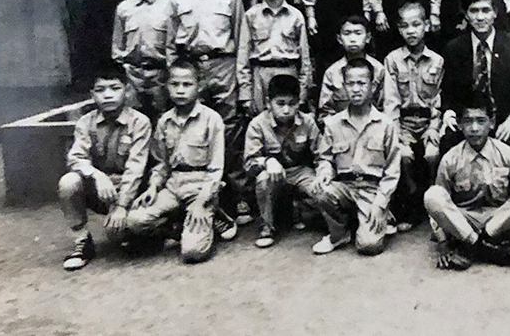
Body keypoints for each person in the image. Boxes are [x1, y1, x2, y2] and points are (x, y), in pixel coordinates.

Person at [165, 0, 251, 223]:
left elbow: (241, 40)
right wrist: (175, 75)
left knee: (230, 132)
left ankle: (237, 197)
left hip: (223, 66)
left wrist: (242, 83)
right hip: (191, 69)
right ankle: (198, 198)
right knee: (194, 131)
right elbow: (171, 43)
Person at [125, 60, 229, 264]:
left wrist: (201, 201)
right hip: (173, 186)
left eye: (187, 84)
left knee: (192, 252)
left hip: (200, 186)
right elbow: (161, 164)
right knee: (135, 221)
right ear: (166, 87)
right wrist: (153, 187)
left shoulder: (212, 119)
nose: (180, 90)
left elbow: (216, 170)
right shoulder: (164, 121)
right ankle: (176, 226)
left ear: (199, 86)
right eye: (175, 84)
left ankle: (212, 216)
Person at [424, 96, 510, 270]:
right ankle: (485, 248)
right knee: (433, 195)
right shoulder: (450, 159)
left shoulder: (507, 154)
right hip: (464, 222)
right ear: (459, 124)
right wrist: (443, 243)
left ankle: (472, 247)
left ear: (492, 123)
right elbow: (439, 207)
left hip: (498, 220)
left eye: (481, 121)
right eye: (468, 121)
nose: (474, 128)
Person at [58, 64, 152, 271]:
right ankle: (82, 241)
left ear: (127, 91)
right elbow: (75, 157)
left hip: (131, 190)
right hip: (101, 190)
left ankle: (142, 234)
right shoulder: (85, 122)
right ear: (92, 94)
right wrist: (97, 175)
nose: (108, 95)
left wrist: (121, 206)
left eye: (115, 88)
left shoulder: (140, 122)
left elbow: (136, 169)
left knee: (122, 236)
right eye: (100, 90)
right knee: (69, 182)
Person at [311, 58, 402, 256]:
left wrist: (380, 203)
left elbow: (392, 171)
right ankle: (339, 233)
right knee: (320, 190)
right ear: (344, 87)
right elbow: (325, 158)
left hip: (372, 190)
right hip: (344, 188)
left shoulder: (386, 124)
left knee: (369, 246)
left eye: (361, 83)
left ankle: (382, 216)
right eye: (350, 84)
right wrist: (324, 172)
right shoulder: (333, 124)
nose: (356, 89)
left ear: (372, 86)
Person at [439, 0, 510, 158]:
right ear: (466, 15)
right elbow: (447, 89)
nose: (480, 17)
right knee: (447, 143)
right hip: (468, 122)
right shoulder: (455, 49)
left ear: (495, 13)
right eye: (474, 11)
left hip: (503, 121)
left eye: (485, 10)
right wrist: (449, 113)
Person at [382, 2, 445, 232]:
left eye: (416, 24)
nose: (411, 31)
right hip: (404, 123)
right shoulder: (392, 60)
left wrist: (434, 127)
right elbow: (390, 102)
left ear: (426, 25)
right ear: (399, 29)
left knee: (432, 154)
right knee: (404, 155)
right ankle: (411, 202)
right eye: (405, 26)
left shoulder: (437, 60)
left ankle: (434, 202)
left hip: (429, 121)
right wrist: (398, 134)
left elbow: (438, 99)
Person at [243, 74, 321, 248]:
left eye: (292, 103)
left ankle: (302, 210)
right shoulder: (257, 124)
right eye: (280, 104)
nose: (286, 110)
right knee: (264, 179)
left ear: (299, 102)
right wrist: (267, 161)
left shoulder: (307, 122)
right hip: (274, 175)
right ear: (268, 103)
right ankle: (267, 226)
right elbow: (249, 163)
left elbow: (321, 155)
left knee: (322, 191)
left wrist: (322, 175)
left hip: (300, 171)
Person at [111, 0, 172, 122]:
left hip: (161, 75)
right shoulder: (124, 8)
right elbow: (117, 46)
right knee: (132, 121)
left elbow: (174, 44)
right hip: (133, 76)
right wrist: (125, 70)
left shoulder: (169, 5)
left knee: (163, 121)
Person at [245, 0, 312, 114]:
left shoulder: (296, 16)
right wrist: (245, 94)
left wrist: (303, 91)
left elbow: (305, 58)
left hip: (288, 71)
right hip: (261, 75)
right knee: (261, 119)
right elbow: (243, 56)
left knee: (288, 117)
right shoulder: (251, 15)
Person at [317, 15, 386, 120]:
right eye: (347, 33)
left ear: (368, 37)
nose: (353, 39)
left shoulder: (379, 69)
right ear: (339, 39)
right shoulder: (332, 72)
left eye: (358, 33)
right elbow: (325, 113)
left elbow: (385, 107)